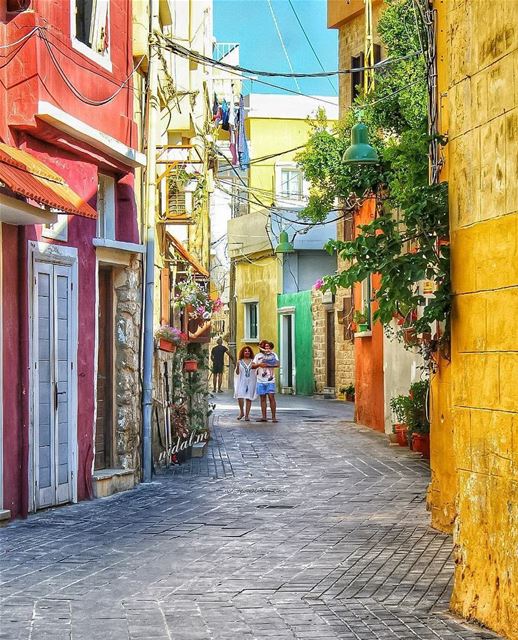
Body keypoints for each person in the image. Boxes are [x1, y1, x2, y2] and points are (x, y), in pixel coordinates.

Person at [252, 340, 279, 422]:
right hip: (260, 380)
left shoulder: (273, 354)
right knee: (262, 398)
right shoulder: (258, 356)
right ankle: (264, 417)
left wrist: (268, 364)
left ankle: (274, 417)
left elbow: (277, 364)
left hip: (270, 380)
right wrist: (259, 365)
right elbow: (252, 366)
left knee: (271, 397)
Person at [233, 346, 257, 421]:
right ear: (243, 353)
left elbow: (256, 371)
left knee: (249, 398)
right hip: (242, 381)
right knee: (240, 396)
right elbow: (237, 373)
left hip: (251, 381)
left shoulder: (253, 361)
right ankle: (241, 412)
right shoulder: (240, 362)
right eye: (245, 351)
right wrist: (237, 366)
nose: (247, 352)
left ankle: (247, 415)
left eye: (248, 351)